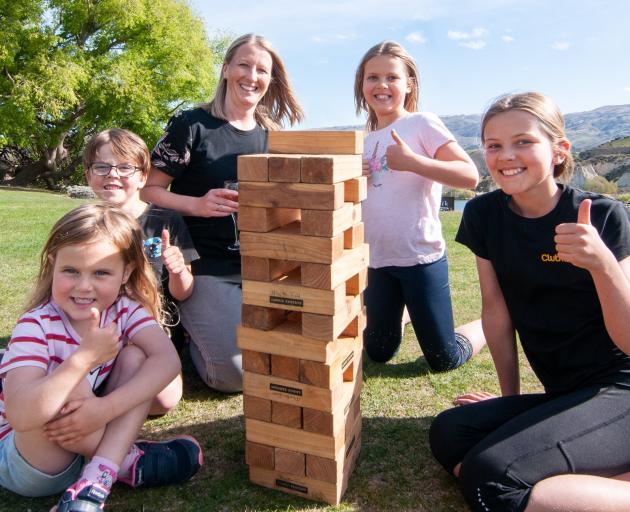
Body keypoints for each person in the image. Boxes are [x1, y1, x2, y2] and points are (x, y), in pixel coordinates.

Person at [429, 92, 630, 512]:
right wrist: (509, 401)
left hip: (621, 390)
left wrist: (603, 265)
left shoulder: (602, 216)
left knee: (491, 479)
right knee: (450, 432)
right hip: (568, 394)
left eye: (524, 141)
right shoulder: (483, 215)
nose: (506, 155)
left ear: (559, 151)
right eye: (494, 145)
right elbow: (497, 314)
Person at [0, 204, 202, 511]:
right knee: (66, 385)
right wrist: (82, 359)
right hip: (29, 462)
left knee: (137, 359)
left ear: (126, 273)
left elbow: (167, 362)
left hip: (82, 441)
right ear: (53, 264)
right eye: (71, 270)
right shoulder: (36, 323)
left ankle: (96, 479)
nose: (84, 286)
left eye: (101, 272)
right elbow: (21, 416)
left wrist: (105, 409)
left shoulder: (123, 309)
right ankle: (130, 460)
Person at [142, 33, 303, 392]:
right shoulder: (192, 125)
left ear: (271, 80)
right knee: (236, 377)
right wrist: (196, 205)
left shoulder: (271, 136)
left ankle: (225, 326)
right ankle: (186, 331)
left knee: (293, 351)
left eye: (262, 69)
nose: (252, 75)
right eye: (244, 64)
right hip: (204, 267)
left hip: (261, 267)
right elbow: (149, 189)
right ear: (227, 68)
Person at [354, 41, 485, 372]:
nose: (381, 85)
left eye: (392, 77)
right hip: (378, 262)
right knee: (379, 353)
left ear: (409, 83)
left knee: (444, 359)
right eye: (372, 77)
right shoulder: (363, 140)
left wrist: (413, 162)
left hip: (420, 258)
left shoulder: (422, 123)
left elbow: (470, 175)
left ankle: (483, 326)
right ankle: (407, 311)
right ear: (362, 84)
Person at [84, 128, 199, 413]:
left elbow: (183, 292)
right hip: (96, 332)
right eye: (102, 166)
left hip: (151, 332)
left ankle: (101, 401)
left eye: (125, 167)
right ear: (89, 175)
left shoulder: (165, 220)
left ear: (143, 177)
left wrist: (177, 271)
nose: (112, 174)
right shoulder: (83, 225)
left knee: (163, 400)